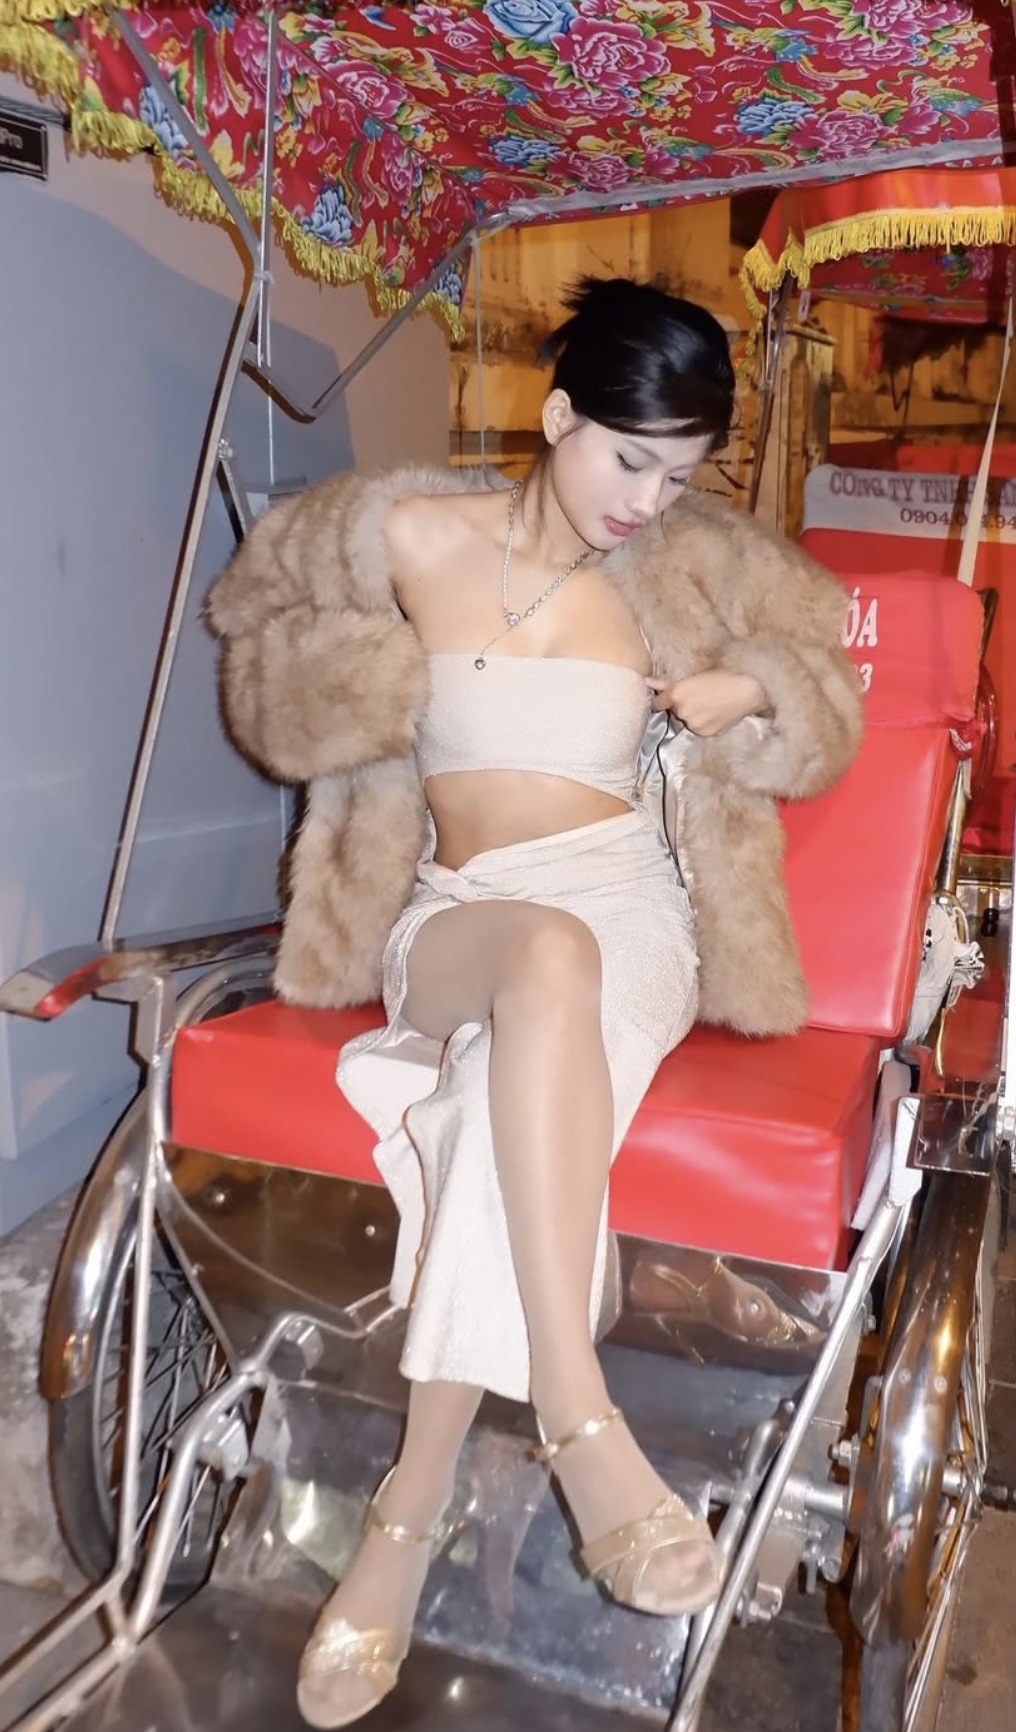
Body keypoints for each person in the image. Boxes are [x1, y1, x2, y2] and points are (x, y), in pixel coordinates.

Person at [207, 276, 864, 1730]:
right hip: (453, 914)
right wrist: (358, 681)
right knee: (531, 961)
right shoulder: (404, 536)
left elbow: (829, 697)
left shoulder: (691, 576)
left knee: (512, 1051)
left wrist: (752, 690)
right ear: (560, 415)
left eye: (680, 476)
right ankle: (580, 1418)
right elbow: (251, 633)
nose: (648, 501)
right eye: (629, 458)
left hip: (631, 916)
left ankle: (403, 1517)